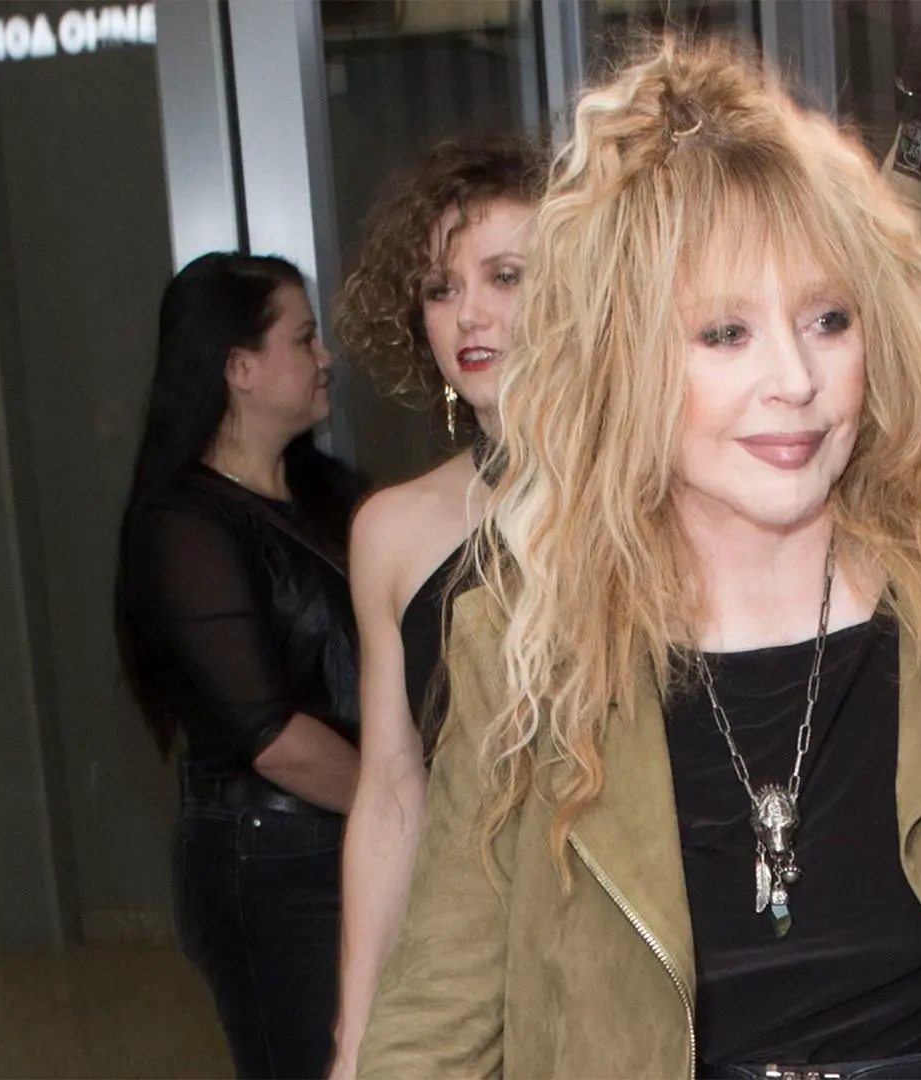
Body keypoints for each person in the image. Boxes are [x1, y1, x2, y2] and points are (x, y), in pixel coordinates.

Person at [355, 40, 921, 1080]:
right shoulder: (531, 646)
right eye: (725, 333)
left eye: (828, 320)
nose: (795, 380)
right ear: (625, 360)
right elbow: (438, 1016)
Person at [115, 252, 367, 1079]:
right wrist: (410, 809)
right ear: (239, 367)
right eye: (304, 338)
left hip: (347, 831)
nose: (326, 356)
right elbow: (271, 736)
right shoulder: (184, 524)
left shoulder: (330, 497)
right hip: (274, 858)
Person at [325, 133, 546, 1079]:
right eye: (440, 289)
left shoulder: (654, 500)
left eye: (505, 276)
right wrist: (354, 1038)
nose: (471, 315)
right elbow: (389, 789)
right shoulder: (393, 528)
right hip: (459, 967)